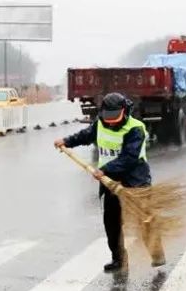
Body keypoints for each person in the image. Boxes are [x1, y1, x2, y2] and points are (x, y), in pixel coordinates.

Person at [54, 92, 151, 272]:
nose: (111, 121)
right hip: (110, 182)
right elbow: (85, 136)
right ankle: (118, 259)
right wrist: (66, 141)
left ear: (125, 111)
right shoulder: (100, 123)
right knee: (112, 221)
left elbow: (129, 158)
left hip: (135, 179)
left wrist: (104, 170)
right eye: (108, 117)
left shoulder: (135, 128)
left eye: (115, 117)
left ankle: (156, 252)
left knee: (144, 219)